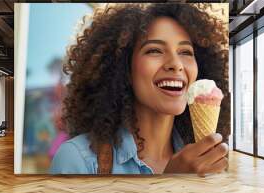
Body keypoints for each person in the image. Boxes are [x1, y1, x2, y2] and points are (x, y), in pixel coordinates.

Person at [50, 3, 230, 175]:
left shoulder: (208, 161)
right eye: (154, 50)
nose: (176, 64)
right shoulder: (77, 160)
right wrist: (170, 184)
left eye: (185, 52)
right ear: (123, 67)